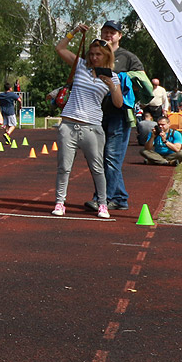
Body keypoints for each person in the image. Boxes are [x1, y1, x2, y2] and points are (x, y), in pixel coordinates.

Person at [53, 26, 123, 218]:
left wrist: (111, 86)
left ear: (106, 56)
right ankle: (60, 203)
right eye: (91, 54)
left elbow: (118, 103)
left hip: (92, 127)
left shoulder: (113, 76)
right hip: (68, 124)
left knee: (97, 168)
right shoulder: (81, 66)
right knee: (64, 167)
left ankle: (103, 204)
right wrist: (74, 32)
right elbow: (59, 48)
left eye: (98, 55)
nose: (93, 58)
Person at [85, 19, 146, 212]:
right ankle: (119, 198)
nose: (108, 35)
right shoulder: (96, 55)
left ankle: (103, 198)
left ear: (120, 35)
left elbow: (142, 80)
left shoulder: (127, 57)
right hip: (97, 112)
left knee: (112, 157)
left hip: (119, 114)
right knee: (103, 157)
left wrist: (120, 78)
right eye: (105, 32)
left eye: (112, 32)